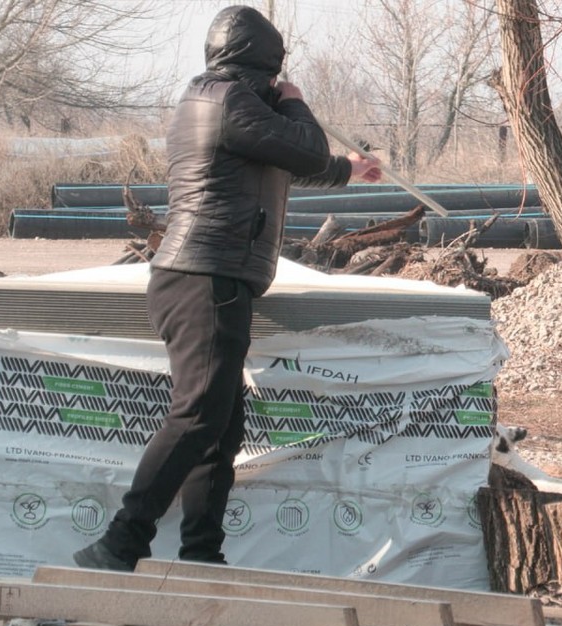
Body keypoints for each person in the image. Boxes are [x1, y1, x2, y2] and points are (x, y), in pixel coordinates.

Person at [73, 5, 382, 571]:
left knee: (219, 427)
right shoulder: (227, 100)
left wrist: (349, 168)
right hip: (202, 277)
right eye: (276, 69)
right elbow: (303, 146)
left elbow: (293, 161)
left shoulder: (222, 100)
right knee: (197, 417)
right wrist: (291, 96)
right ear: (263, 64)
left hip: (208, 278)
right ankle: (119, 543)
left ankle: (200, 556)